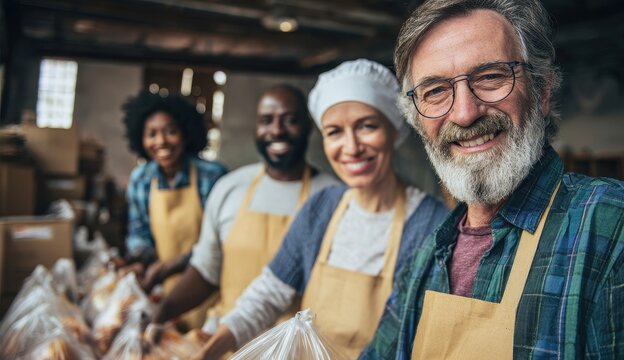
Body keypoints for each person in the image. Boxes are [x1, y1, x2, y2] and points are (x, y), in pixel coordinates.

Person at [361, 1, 624, 359]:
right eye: (435, 91)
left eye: (490, 76)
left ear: (541, 91)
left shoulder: (622, 228)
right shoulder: (427, 255)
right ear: (417, 119)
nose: (464, 114)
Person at [194, 59, 449, 360]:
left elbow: (415, 337)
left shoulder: (431, 222)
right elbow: (268, 293)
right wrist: (212, 349)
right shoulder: (322, 207)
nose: (351, 147)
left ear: (393, 130)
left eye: (367, 126)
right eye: (334, 132)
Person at [148, 84, 338, 334]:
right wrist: (157, 316)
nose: (277, 130)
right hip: (227, 345)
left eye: (290, 120)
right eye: (266, 121)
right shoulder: (230, 188)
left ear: (309, 127)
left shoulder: (333, 197)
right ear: (256, 128)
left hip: (295, 350)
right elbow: (206, 270)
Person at [121, 90, 227, 327]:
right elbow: (140, 234)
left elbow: (223, 242)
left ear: (185, 133)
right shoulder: (142, 179)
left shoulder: (211, 176)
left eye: (170, 131)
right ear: (141, 139)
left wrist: (173, 265)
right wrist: (139, 261)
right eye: (152, 134)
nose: (161, 142)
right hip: (166, 290)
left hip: (211, 288)